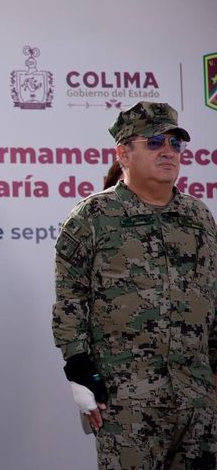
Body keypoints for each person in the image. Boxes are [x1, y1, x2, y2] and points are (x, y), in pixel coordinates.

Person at [52, 101, 217, 469]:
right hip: (127, 400)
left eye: (176, 144)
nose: (168, 152)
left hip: (197, 399)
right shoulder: (92, 218)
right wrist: (78, 368)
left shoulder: (198, 216)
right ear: (124, 153)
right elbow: (70, 299)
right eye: (155, 141)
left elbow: (213, 298)